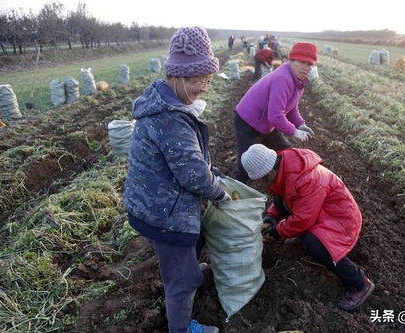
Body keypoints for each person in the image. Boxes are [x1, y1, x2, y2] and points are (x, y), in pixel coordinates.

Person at [124, 26, 231, 333]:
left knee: (186, 255)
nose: (206, 89)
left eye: (209, 80)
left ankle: (183, 269)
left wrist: (212, 172)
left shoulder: (163, 103)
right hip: (163, 215)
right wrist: (220, 193)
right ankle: (182, 328)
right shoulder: (171, 118)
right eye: (202, 81)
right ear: (180, 76)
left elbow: (185, 160)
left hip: (151, 203)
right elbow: (193, 173)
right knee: (183, 281)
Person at [241, 144, 375, 311]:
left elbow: (303, 220)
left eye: (263, 179)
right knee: (279, 202)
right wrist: (271, 216)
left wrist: (277, 231)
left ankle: (359, 284)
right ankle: (303, 235)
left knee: (314, 243)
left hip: (341, 218)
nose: (262, 183)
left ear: (269, 172)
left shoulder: (306, 179)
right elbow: (283, 198)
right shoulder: (284, 168)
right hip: (319, 211)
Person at [234, 42, 318, 182]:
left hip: (266, 123)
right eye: (302, 62)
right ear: (291, 60)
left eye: (309, 64)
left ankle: (283, 184)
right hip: (248, 122)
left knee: (286, 151)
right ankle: (235, 196)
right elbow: (275, 116)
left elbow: (291, 109)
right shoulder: (283, 78)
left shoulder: (298, 81)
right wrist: (295, 132)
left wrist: (301, 124)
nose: (306, 68)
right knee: (247, 165)